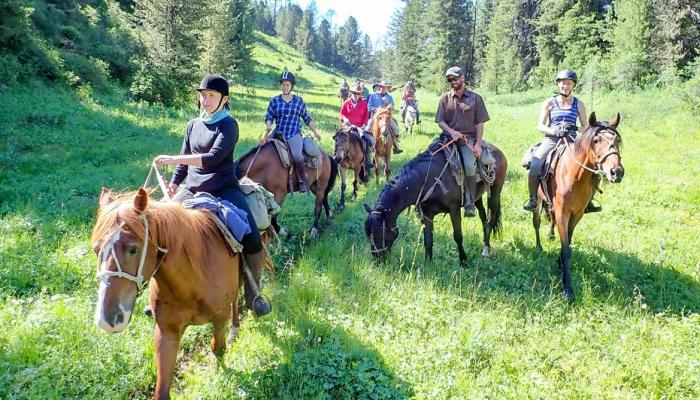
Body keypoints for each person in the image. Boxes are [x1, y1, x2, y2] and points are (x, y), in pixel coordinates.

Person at [153, 74, 271, 317]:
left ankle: (253, 296)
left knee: (252, 239)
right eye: (203, 95)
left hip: (223, 188)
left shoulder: (229, 125)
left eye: (211, 96)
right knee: (160, 229)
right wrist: (175, 184)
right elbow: (184, 162)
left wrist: (174, 159)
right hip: (192, 187)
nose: (205, 100)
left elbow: (213, 159)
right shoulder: (192, 124)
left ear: (223, 99)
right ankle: (159, 293)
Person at [523, 69, 600, 213]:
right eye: (562, 83)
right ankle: (533, 199)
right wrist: (554, 131)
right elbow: (540, 125)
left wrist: (575, 128)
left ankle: (589, 200)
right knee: (535, 164)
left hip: (572, 139)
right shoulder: (550, 103)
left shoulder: (579, 104)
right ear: (558, 85)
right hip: (552, 139)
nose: (565, 86)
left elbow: (585, 127)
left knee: (594, 165)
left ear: (573, 86)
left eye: (568, 83)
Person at [435, 66, 490, 218]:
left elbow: (480, 123)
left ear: (462, 78)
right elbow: (440, 121)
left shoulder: (475, 98)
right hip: (448, 138)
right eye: (449, 79)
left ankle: (470, 202)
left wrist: (478, 144)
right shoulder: (444, 98)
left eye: (455, 78)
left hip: (467, 140)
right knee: (430, 155)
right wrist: (451, 132)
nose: (452, 82)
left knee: (468, 165)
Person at [263, 69, 322, 193]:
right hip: (278, 132)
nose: (285, 87)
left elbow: (307, 118)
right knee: (262, 148)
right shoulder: (274, 101)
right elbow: (269, 116)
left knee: (296, 155)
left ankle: (302, 180)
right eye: (283, 84)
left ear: (292, 86)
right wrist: (268, 127)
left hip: (293, 133)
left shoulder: (298, 101)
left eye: (287, 85)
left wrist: (316, 132)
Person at [339, 82, 373, 170]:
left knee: (366, 141)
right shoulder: (346, 103)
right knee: (339, 139)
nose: (356, 95)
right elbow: (341, 114)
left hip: (359, 127)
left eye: (358, 93)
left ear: (360, 94)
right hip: (347, 127)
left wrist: (364, 125)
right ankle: (338, 159)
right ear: (351, 93)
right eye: (354, 93)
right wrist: (345, 119)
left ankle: (367, 161)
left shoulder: (364, 104)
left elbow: (366, 116)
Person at [367, 80, 403, 154]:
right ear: (379, 87)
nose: (383, 88)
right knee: (367, 129)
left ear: (387, 88)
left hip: (386, 117)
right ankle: (367, 147)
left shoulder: (389, 97)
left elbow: (392, 107)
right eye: (382, 87)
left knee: (395, 128)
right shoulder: (373, 95)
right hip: (375, 117)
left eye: (385, 87)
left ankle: (395, 146)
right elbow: (369, 107)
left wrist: (388, 104)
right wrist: (378, 110)